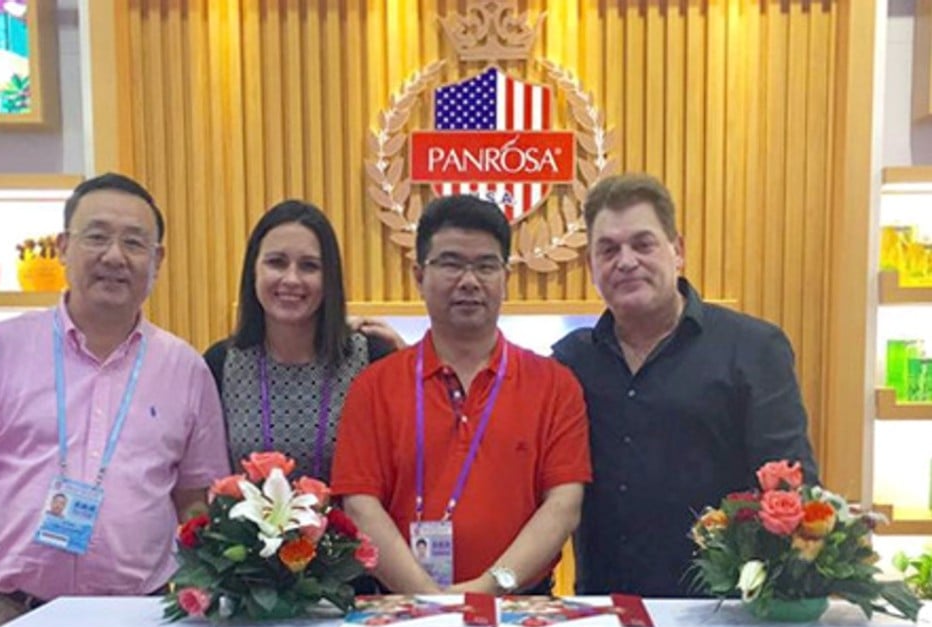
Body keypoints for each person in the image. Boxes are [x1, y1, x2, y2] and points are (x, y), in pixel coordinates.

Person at [0, 173, 229, 627]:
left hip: (143, 620)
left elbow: (193, 501)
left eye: (134, 242)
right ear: (64, 247)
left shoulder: (185, 369)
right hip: (14, 614)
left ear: (158, 261)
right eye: (97, 236)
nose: (115, 255)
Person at [551, 173, 819, 597]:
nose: (625, 261)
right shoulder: (570, 361)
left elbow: (791, 485)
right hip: (605, 615)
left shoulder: (752, 348)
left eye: (643, 244)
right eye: (608, 249)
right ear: (592, 267)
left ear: (677, 251)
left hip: (722, 616)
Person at [331, 195, 591, 596]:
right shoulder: (374, 387)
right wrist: (429, 600)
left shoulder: (555, 385)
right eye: (451, 263)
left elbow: (562, 507)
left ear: (505, 277)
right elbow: (361, 507)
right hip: (402, 607)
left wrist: (488, 588)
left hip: (519, 609)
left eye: (486, 266)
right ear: (419, 275)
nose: (469, 281)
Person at [203, 199, 402, 481]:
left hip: (356, 523)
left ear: (329, 278)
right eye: (276, 263)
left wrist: (407, 358)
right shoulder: (221, 364)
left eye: (309, 266)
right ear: (253, 271)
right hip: (246, 525)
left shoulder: (370, 356)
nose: (292, 279)